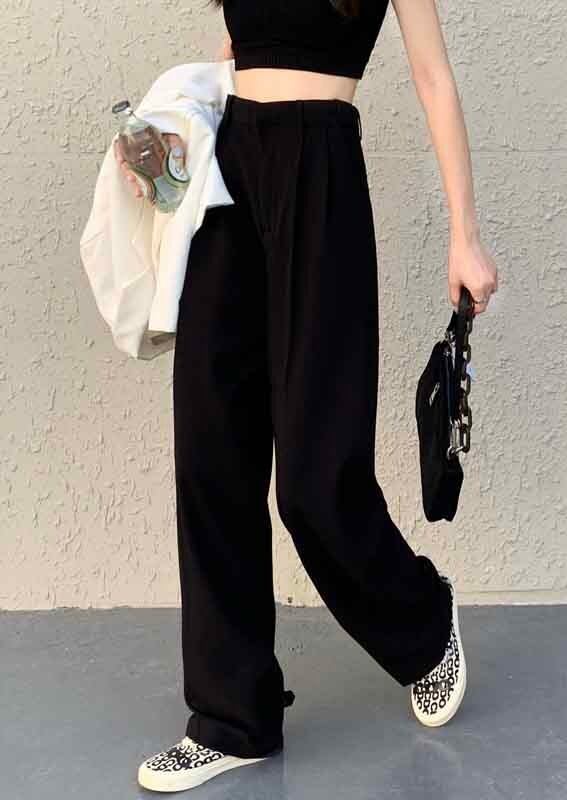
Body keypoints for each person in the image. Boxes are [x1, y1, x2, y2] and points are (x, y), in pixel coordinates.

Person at [116, 0, 498, 792]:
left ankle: (422, 624)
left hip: (320, 170)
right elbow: (228, 66)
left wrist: (465, 235)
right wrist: (165, 147)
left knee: (316, 481)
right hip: (228, 173)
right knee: (211, 454)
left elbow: (433, 78)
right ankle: (233, 719)